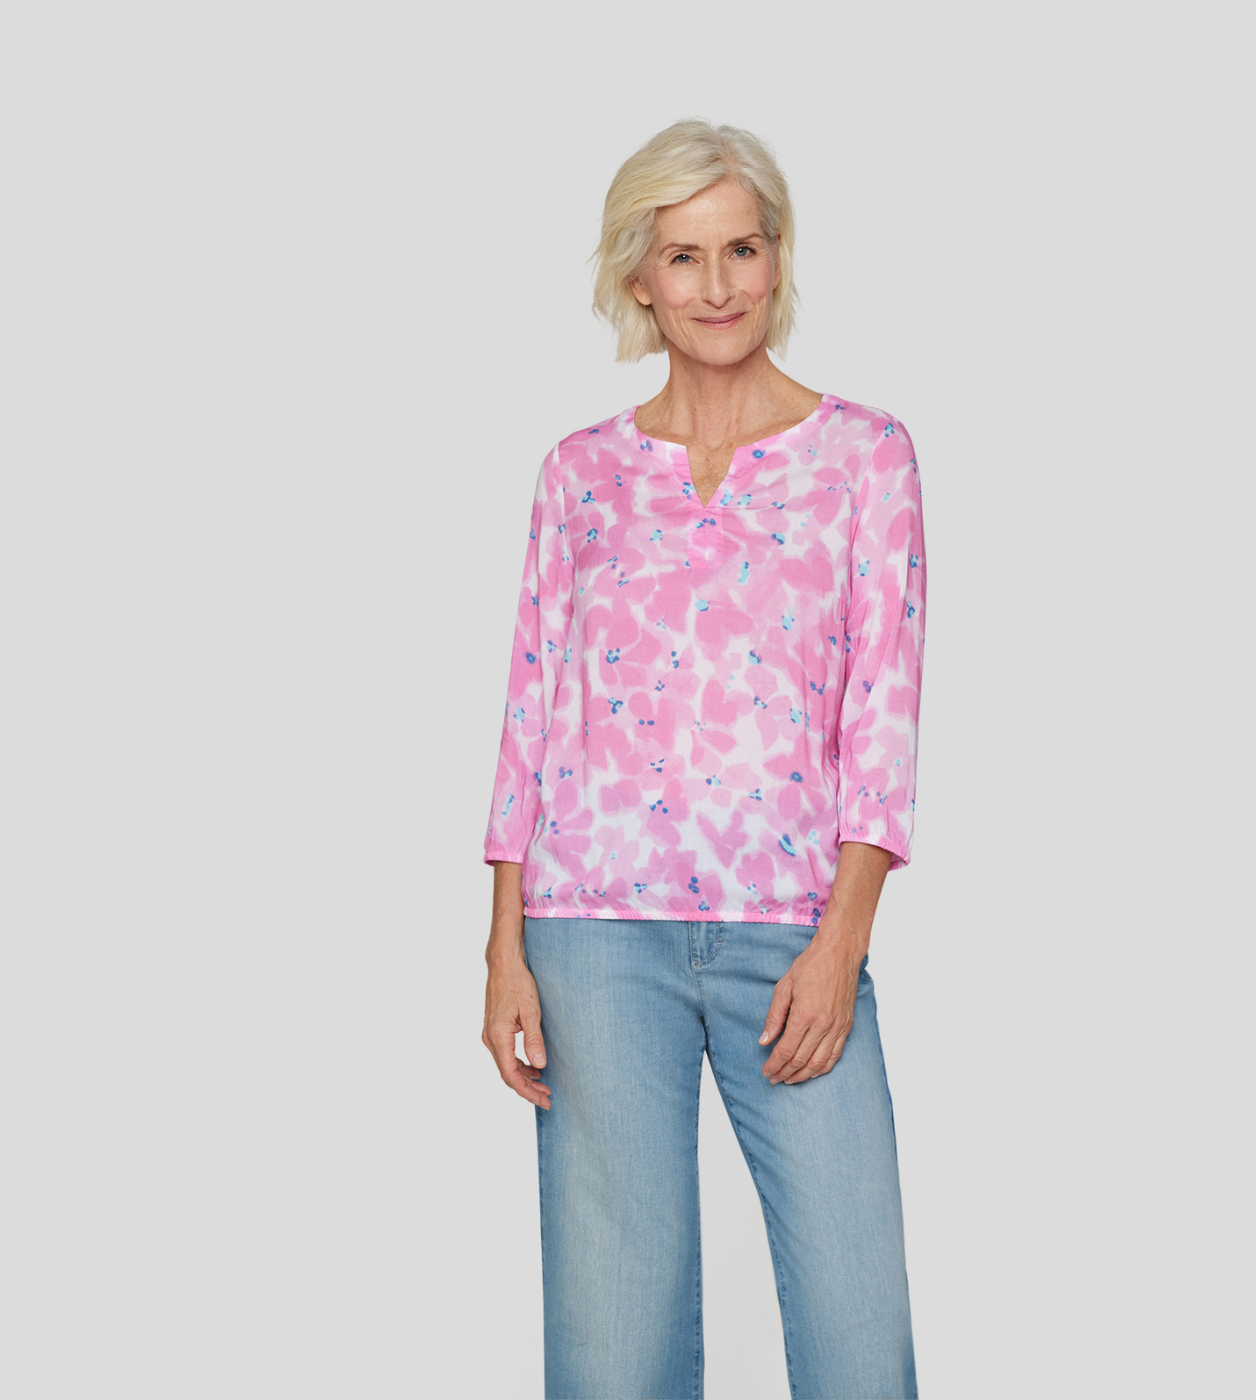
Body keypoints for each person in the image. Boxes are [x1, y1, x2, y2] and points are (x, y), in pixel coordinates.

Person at [481, 119, 926, 1400]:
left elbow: (882, 717)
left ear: (777, 257)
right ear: (639, 276)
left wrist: (841, 940)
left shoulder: (865, 458)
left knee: (858, 1341)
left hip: (790, 931)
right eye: (684, 256)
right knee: (613, 1353)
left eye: (742, 248)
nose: (718, 284)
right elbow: (530, 706)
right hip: (590, 932)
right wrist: (504, 944)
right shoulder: (579, 475)